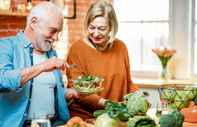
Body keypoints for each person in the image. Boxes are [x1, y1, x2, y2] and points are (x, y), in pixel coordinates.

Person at [0, 2, 83, 127]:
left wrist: (70, 93)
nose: (56, 38)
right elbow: (2, 79)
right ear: (34, 22)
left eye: (59, 32)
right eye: (52, 31)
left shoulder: (51, 53)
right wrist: (42, 66)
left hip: (54, 122)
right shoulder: (7, 45)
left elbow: (51, 93)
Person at [66, 1, 152, 120]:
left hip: (115, 116)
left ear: (111, 27)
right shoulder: (77, 50)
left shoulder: (121, 47)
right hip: (86, 118)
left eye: (102, 29)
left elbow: (127, 82)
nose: (96, 33)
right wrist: (112, 105)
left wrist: (138, 95)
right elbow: (79, 92)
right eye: (91, 27)